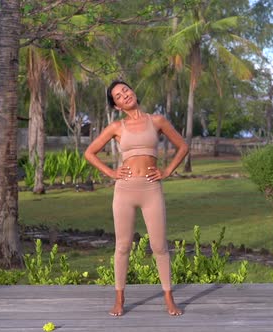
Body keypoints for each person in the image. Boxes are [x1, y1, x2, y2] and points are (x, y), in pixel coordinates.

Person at [84, 80, 189, 317]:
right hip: (124, 191)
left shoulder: (157, 120)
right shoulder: (116, 127)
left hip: (151, 189)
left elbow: (182, 146)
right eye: (118, 96)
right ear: (118, 106)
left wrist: (167, 171)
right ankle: (120, 299)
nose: (124, 95)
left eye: (125, 90)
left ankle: (169, 299)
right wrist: (111, 172)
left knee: (159, 246)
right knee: (122, 247)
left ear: (133, 92)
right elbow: (89, 153)